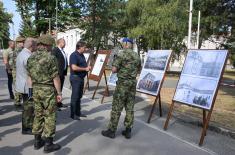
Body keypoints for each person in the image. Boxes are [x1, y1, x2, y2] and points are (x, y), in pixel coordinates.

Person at [27, 35, 62, 153]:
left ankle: (37, 141)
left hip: (36, 89)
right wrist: (59, 93)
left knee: (38, 115)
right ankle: (48, 144)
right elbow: (55, 77)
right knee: (50, 116)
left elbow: (29, 76)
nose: (52, 48)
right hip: (47, 90)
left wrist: (31, 91)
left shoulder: (31, 57)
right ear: (46, 45)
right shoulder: (50, 58)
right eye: (51, 45)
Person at [101, 38, 141, 139]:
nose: (122, 45)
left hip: (123, 84)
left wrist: (115, 64)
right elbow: (139, 69)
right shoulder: (137, 56)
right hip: (132, 84)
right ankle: (128, 131)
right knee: (129, 107)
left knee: (116, 107)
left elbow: (114, 70)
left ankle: (111, 130)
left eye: (123, 43)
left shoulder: (121, 54)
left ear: (126, 44)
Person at [16, 37, 37, 135]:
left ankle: (27, 126)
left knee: (27, 107)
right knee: (28, 108)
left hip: (22, 84)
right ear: (32, 45)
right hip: (27, 86)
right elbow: (32, 73)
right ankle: (27, 128)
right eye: (36, 45)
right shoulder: (28, 56)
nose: (37, 47)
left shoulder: (22, 53)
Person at [69, 41, 91, 120]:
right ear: (79, 47)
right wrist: (85, 68)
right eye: (84, 47)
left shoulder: (81, 55)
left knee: (79, 96)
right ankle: (73, 114)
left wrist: (87, 67)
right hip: (75, 78)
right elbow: (74, 67)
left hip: (81, 78)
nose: (85, 49)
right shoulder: (74, 55)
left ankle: (78, 112)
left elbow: (82, 65)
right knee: (75, 96)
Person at [51, 38, 68, 109]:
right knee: (56, 89)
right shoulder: (55, 50)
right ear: (59, 43)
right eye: (64, 42)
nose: (65, 44)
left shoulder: (62, 51)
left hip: (62, 73)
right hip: (57, 73)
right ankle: (55, 105)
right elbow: (53, 61)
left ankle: (59, 103)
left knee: (60, 89)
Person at [13, 36, 25, 111]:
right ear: (19, 43)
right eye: (22, 42)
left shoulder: (21, 50)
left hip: (20, 72)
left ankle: (18, 102)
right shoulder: (18, 51)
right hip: (17, 72)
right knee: (18, 88)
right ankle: (17, 104)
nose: (23, 43)